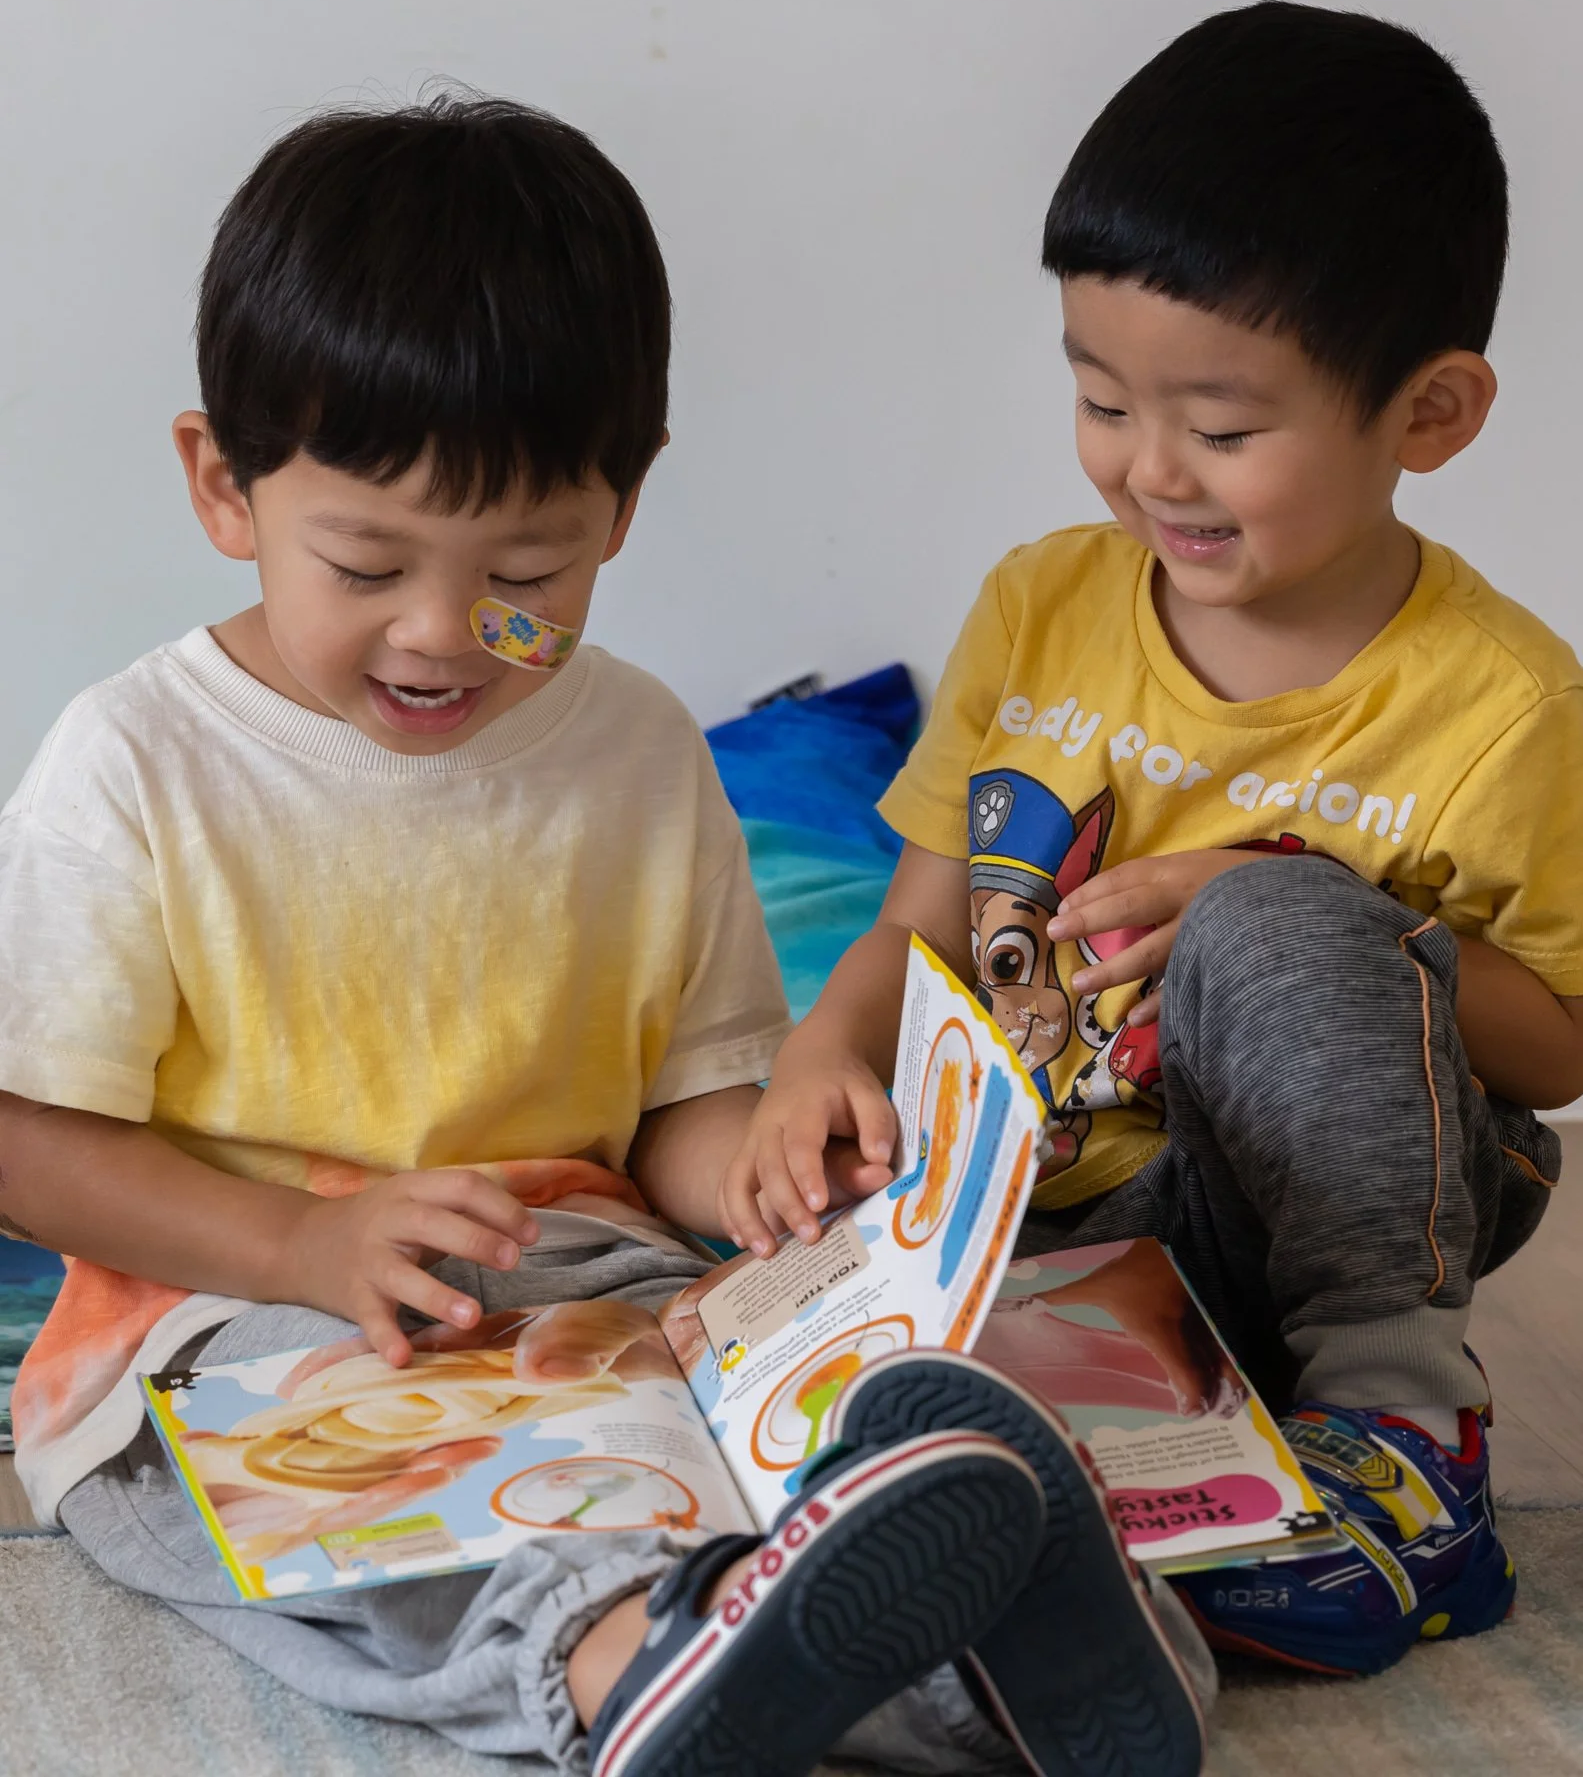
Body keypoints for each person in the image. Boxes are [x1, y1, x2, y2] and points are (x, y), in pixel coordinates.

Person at [0, 97, 1210, 1777]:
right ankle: (624, 1668)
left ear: (620, 511)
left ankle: (1007, 1651)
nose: (440, 635)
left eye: (525, 575)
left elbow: (680, 1109)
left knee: (772, 1420)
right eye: (363, 563)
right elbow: (29, 1145)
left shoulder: (635, 749)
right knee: (427, 1504)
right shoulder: (138, 762)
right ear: (225, 485)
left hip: (591, 1279)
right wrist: (298, 1252)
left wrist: (780, 1176)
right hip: (219, 1313)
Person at [725, 1, 1583, 1677]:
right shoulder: (1043, 603)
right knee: (749, 1318)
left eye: (1224, 426)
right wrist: (814, 1058)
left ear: (1427, 412)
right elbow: (917, 922)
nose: (1149, 469)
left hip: (1322, 1218)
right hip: (1051, 1214)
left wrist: (1311, 903)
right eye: (1102, 400)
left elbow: (1552, 1049)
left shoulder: (1500, 702)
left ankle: (1405, 1452)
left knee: (1282, 919)